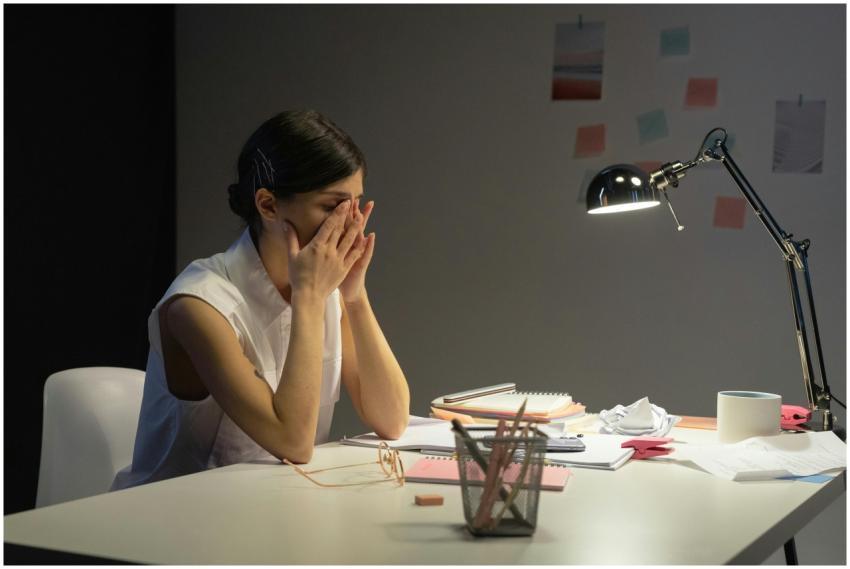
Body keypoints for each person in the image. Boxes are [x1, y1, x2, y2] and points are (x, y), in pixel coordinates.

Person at [112, 110, 410, 490]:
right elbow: (293, 443)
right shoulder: (198, 304)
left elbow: (392, 418)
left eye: (356, 205)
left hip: (271, 510)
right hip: (174, 524)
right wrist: (308, 298)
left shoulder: (326, 292)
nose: (349, 223)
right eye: (332, 206)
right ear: (268, 205)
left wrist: (355, 295)